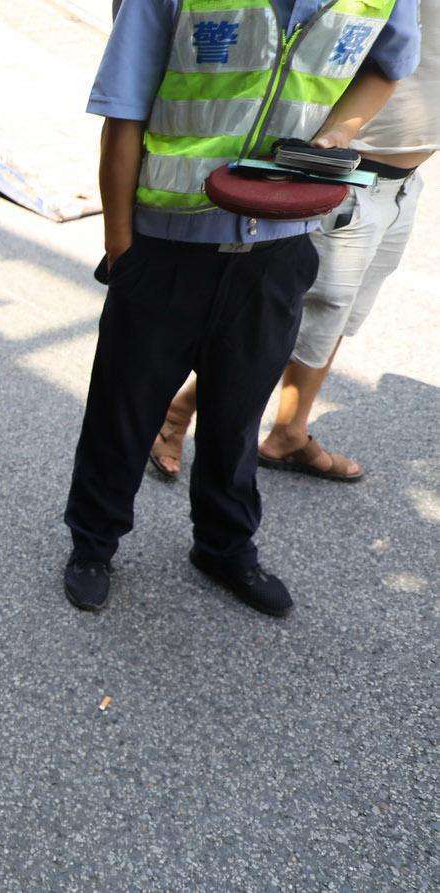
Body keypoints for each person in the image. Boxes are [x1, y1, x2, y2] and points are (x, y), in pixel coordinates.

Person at [64, 0, 419, 616]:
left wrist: (337, 133)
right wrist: (121, 246)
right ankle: (93, 543)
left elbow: (390, 64)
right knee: (125, 407)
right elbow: (124, 112)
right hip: (167, 242)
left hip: (278, 249)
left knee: (237, 411)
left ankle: (225, 546)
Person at [150, 0, 437, 483]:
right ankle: (177, 415)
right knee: (287, 315)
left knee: (334, 316)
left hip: (403, 184)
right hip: (346, 174)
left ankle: (289, 431)